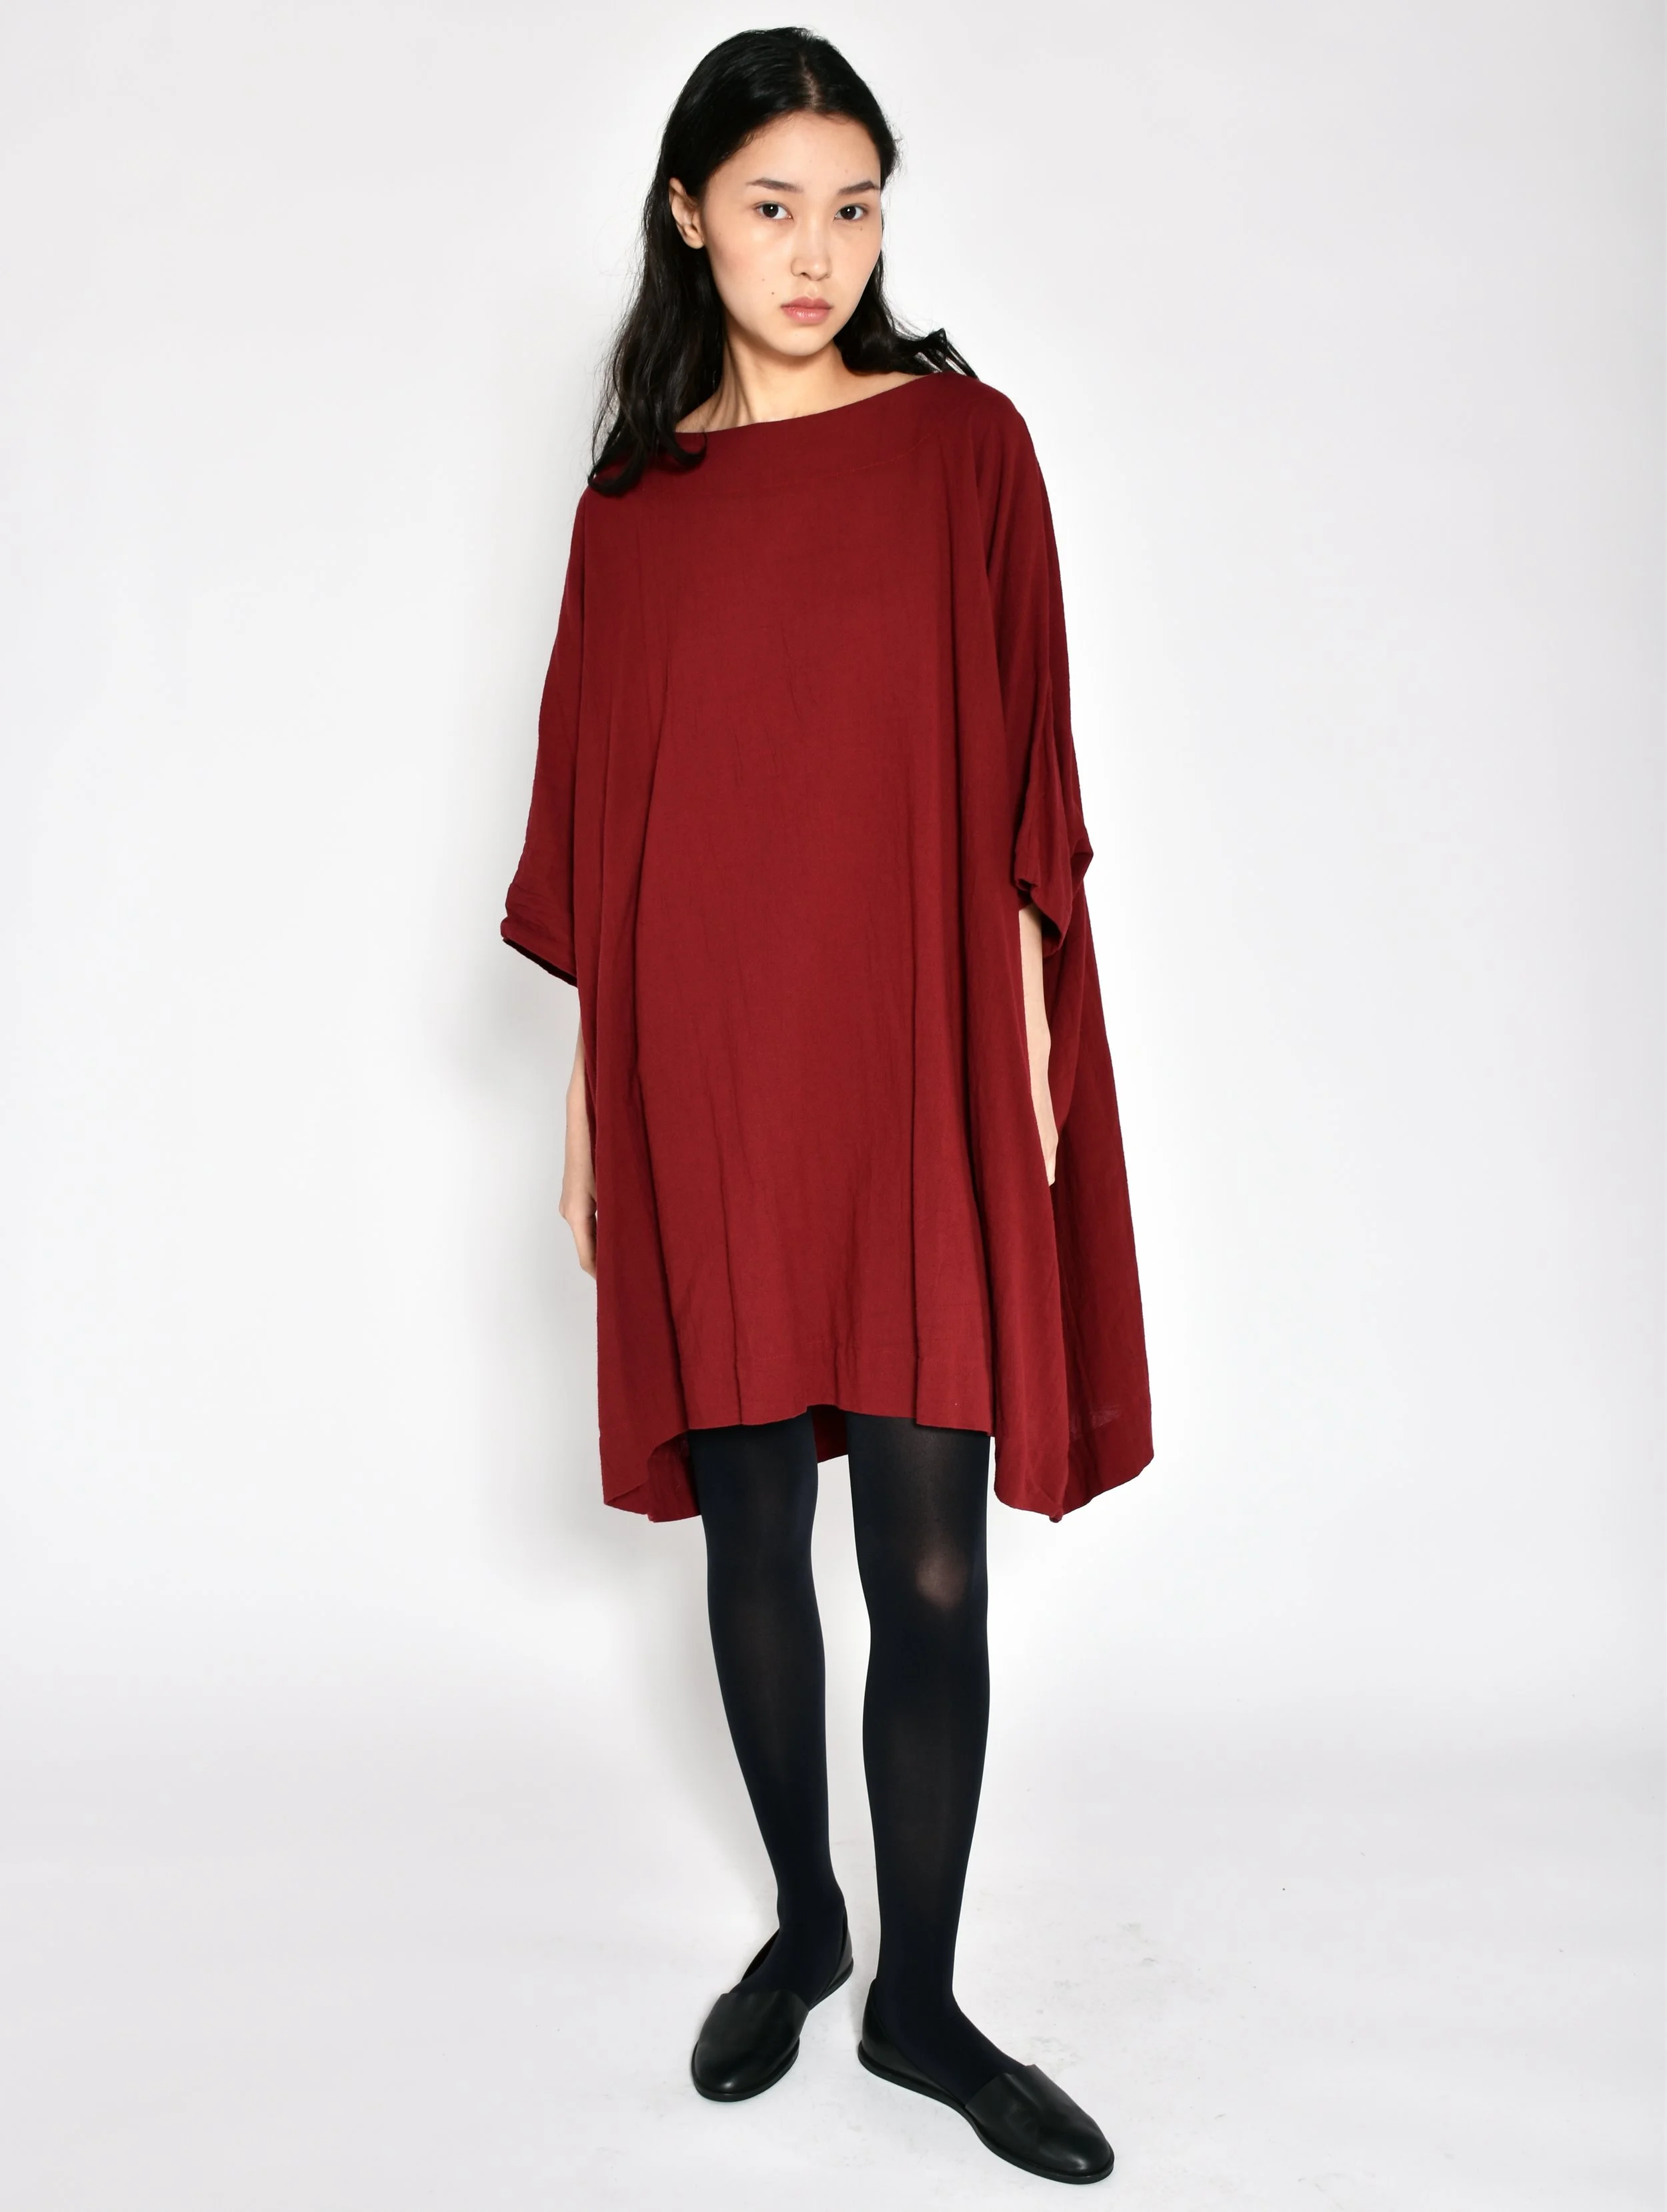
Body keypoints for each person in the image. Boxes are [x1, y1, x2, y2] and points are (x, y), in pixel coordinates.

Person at [501, 27, 1152, 2187]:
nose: (815, 251)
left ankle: (920, 2000)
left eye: (852, 208)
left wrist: (1035, 1042)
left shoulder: (966, 451)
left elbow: (1032, 769)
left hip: (915, 1054)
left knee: (930, 1560)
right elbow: (598, 832)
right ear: (688, 212)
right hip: (706, 1066)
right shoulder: (636, 508)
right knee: (758, 1531)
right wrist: (591, 1115)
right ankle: (803, 1922)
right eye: (773, 205)